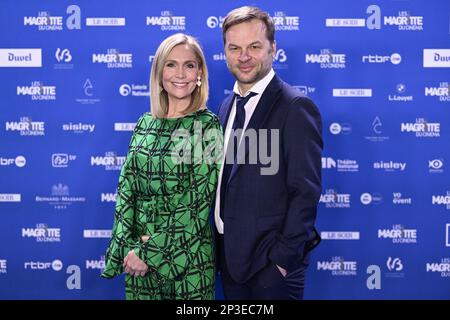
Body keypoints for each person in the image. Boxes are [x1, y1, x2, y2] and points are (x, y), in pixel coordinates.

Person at [101, 33, 222, 300]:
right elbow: (126, 190)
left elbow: (196, 203)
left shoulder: (206, 126)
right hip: (137, 260)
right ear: (159, 72)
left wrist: (150, 252)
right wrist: (129, 248)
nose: (180, 73)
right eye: (171, 64)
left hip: (186, 260)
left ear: (199, 73)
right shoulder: (144, 123)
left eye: (189, 65)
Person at [214, 6, 323, 300]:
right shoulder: (226, 106)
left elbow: (305, 191)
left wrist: (281, 261)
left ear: (273, 48)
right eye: (234, 47)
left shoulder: (295, 107)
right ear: (225, 51)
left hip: (270, 268)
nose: (244, 56)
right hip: (230, 264)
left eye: (254, 46)